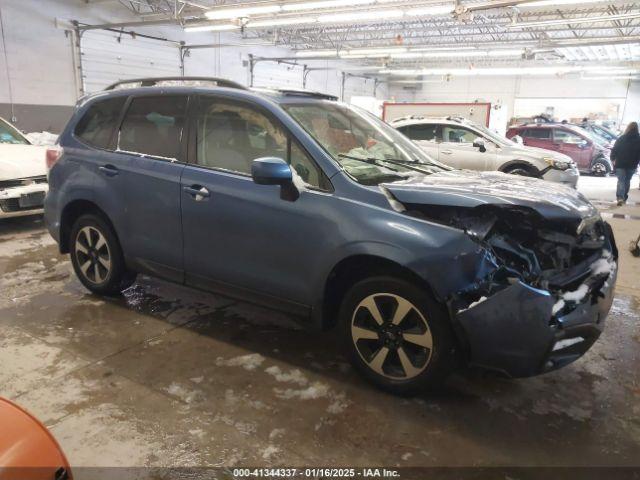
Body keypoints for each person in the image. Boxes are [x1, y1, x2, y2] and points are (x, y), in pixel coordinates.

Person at [610, 121, 640, 205]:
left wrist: (612, 158)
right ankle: (624, 197)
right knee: (627, 180)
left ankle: (620, 198)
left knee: (621, 181)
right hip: (632, 164)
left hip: (620, 163)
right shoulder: (639, 139)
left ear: (628, 128)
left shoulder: (622, 138)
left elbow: (615, 149)